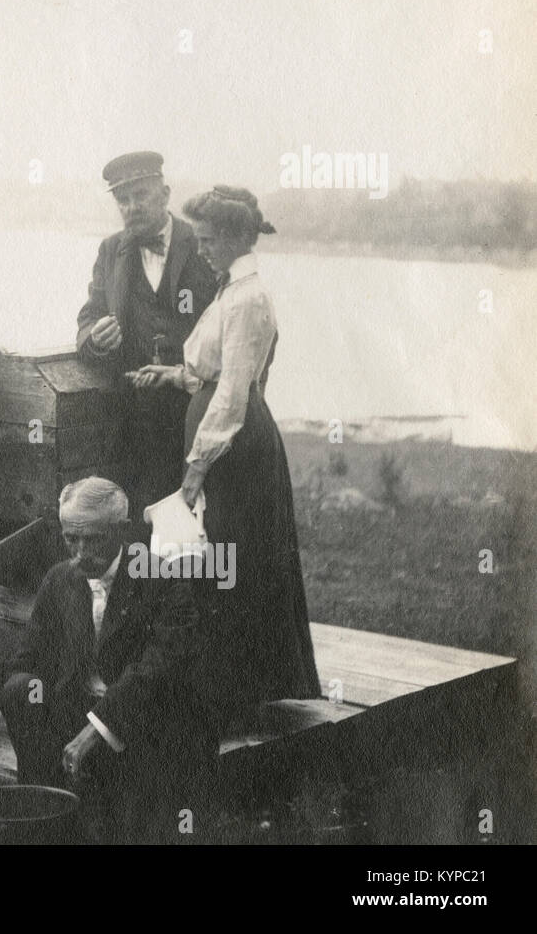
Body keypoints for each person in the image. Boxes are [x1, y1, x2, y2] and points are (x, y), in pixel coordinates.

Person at [131, 185, 321, 730]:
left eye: (210, 240)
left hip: (234, 450)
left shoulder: (249, 298)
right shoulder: (230, 290)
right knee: (219, 563)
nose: (203, 249)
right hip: (229, 441)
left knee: (229, 563)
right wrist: (175, 375)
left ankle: (238, 696)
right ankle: (224, 689)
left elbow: (235, 393)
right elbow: (214, 370)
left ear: (238, 237)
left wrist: (195, 474)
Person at [0, 477, 217, 842]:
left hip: (141, 719)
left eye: (94, 539)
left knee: (129, 829)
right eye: (71, 538)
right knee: (19, 689)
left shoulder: (159, 575)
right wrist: (48, 709)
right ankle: (45, 808)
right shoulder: (59, 580)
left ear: (123, 530)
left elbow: (156, 671)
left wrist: (99, 727)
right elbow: (26, 658)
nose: (81, 552)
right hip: (78, 712)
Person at [75, 151, 218, 517]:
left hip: (194, 413)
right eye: (122, 200)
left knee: (198, 522)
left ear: (165, 194)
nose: (131, 207)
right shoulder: (110, 250)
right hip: (133, 421)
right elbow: (88, 317)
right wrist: (95, 338)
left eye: (140, 195)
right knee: (141, 523)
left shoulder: (202, 244)